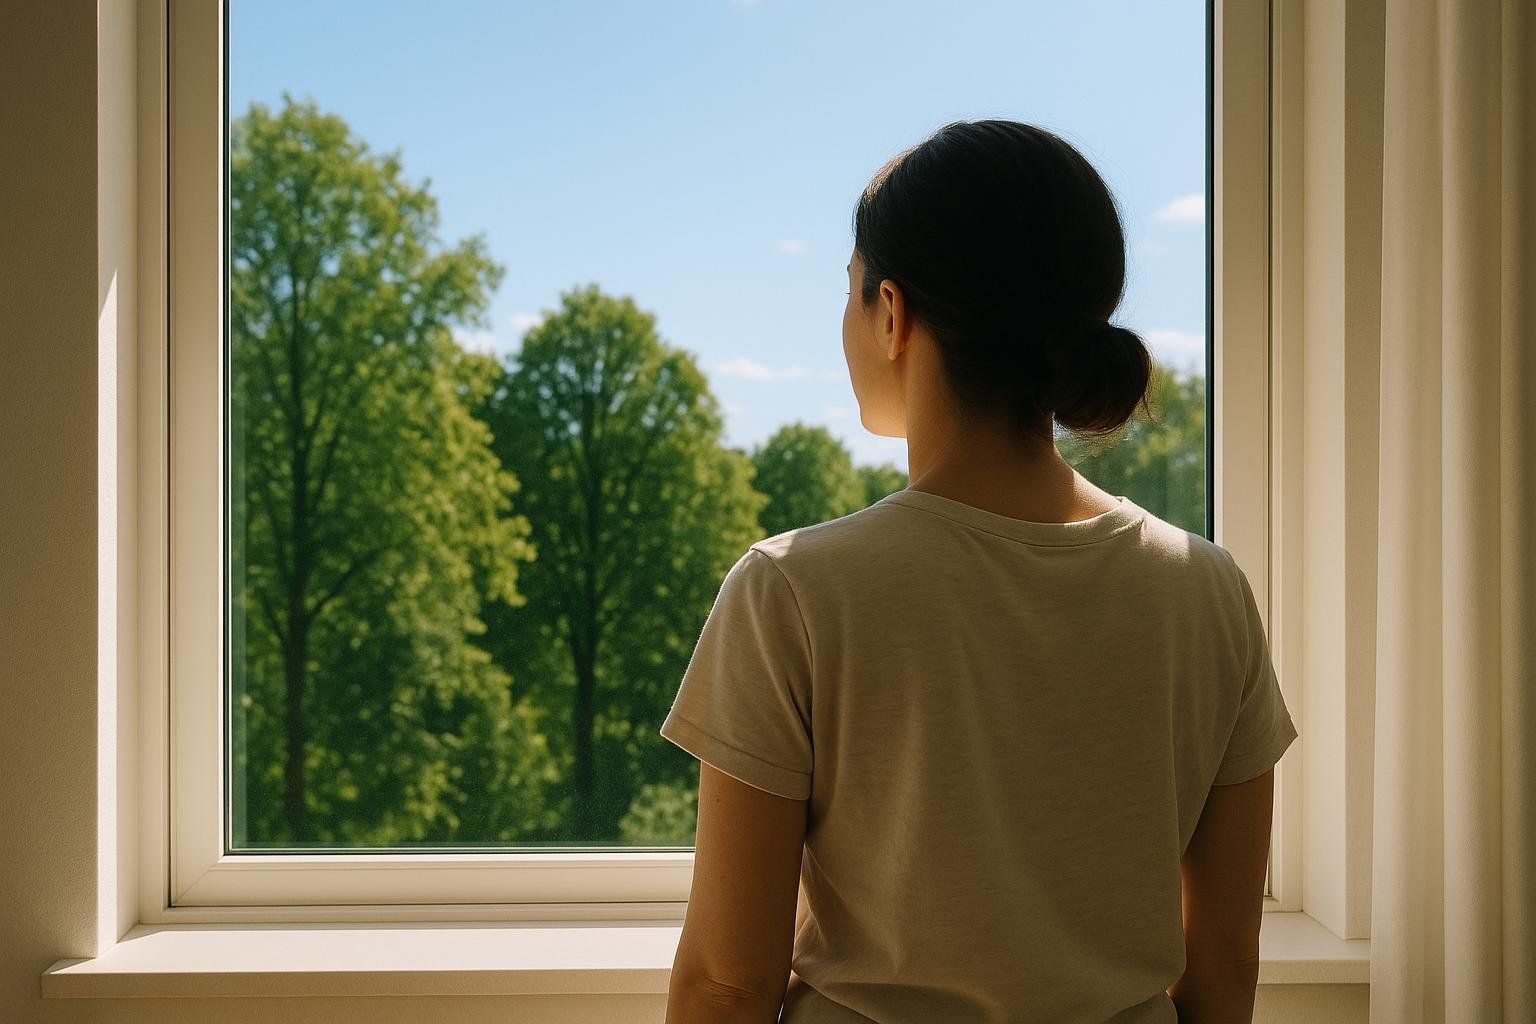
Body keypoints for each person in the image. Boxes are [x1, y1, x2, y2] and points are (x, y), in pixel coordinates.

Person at [660, 119, 1298, 1024]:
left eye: (849, 291)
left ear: (892, 314)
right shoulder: (1208, 590)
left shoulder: (791, 592)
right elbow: (1226, 963)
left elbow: (728, 981)